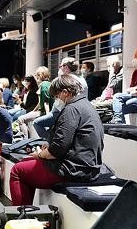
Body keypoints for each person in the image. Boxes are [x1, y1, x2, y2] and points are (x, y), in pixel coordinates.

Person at [10, 75, 104, 206]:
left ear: (65, 92)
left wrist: (40, 154)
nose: (56, 100)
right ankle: (26, 213)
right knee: (27, 162)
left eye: (57, 96)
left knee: (17, 170)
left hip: (73, 170)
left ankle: (20, 217)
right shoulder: (87, 106)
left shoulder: (71, 109)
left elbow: (58, 149)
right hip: (87, 167)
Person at [32, 57, 86, 138]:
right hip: (77, 111)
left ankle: (48, 143)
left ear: (66, 67)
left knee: (36, 123)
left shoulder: (65, 80)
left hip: (62, 112)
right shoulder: (82, 79)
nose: (60, 68)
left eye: (61, 66)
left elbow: (61, 100)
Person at [17, 66, 52, 139]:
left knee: (21, 119)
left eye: (37, 75)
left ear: (41, 75)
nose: (36, 77)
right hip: (40, 110)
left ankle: (25, 141)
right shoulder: (47, 84)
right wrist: (33, 111)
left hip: (43, 112)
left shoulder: (44, 86)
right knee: (24, 119)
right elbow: (40, 102)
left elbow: (46, 103)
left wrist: (48, 116)